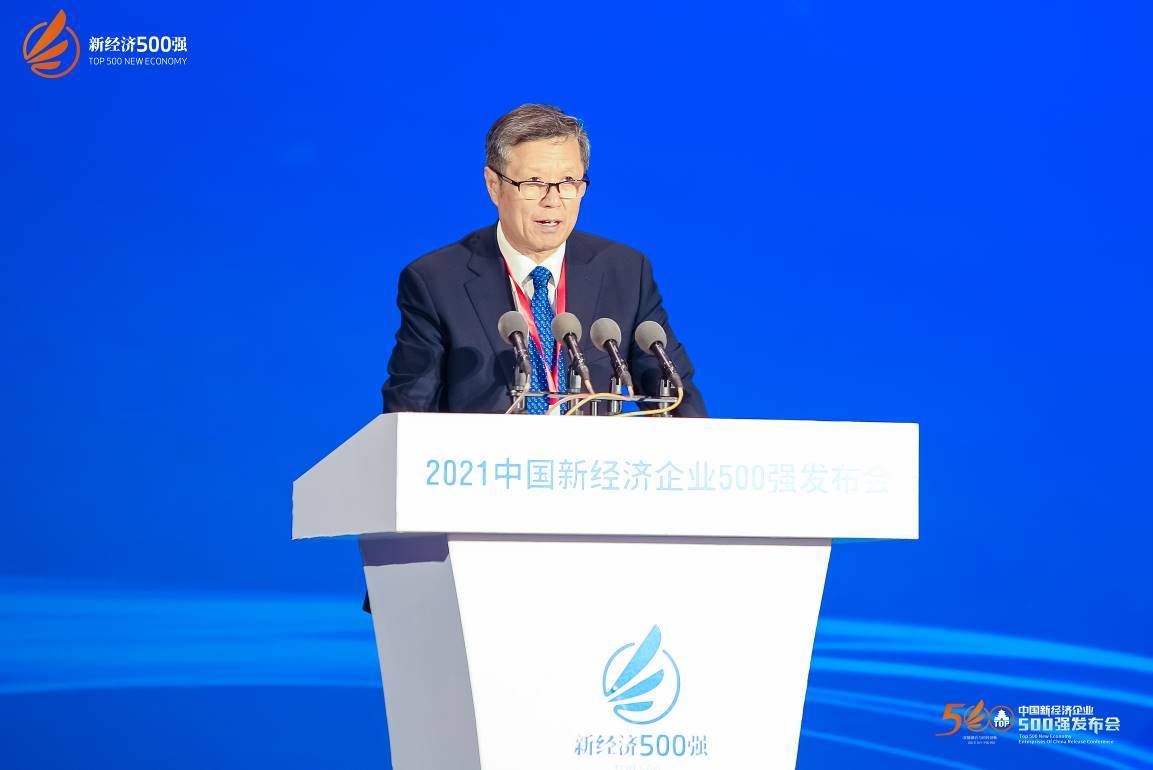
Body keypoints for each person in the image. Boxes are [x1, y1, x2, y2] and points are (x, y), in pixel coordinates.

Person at [380, 103, 707, 418]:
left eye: (568, 183)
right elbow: (407, 414)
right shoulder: (436, 282)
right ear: (494, 186)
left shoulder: (626, 272)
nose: (553, 201)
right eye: (534, 183)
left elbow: (676, 395)